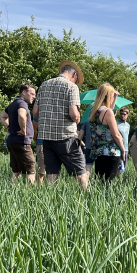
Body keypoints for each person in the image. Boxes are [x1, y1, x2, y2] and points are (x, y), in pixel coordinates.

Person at [35, 61, 89, 189]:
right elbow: (73, 114)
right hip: (66, 137)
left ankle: (48, 202)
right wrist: (77, 118)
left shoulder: (44, 84)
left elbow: (35, 112)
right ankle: (88, 199)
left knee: (51, 174)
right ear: (74, 74)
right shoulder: (72, 87)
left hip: (47, 137)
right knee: (80, 173)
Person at [88, 83, 127, 181]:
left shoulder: (93, 110)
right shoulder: (108, 112)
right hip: (110, 152)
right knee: (108, 185)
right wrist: (123, 150)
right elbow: (116, 135)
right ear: (109, 96)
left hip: (98, 152)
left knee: (99, 183)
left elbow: (109, 111)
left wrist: (115, 97)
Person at [0, 83, 37, 183]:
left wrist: (9, 126)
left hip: (12, 141)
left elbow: (2, 115)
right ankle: (30, 194)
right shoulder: (22, 104)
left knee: (16, 171)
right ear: (24, 92)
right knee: (31, 171)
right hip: (22, 142)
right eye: (32, 94)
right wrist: (24, 131)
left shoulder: (13, 104)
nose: (34, 96)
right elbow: (21, 115)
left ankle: (11, 191)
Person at [31, 108, 45, 185]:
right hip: (42, 143)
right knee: (41, 171)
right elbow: (34, 131)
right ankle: (39, 188)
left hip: (42, 143)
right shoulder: (38, 115)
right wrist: (37, 141)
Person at [116, 107, 131, 174]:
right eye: (121, 114)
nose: (122, 115)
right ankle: (117, 179)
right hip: (117, 148)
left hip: (126, 148)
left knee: (124, 167)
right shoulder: (116, 123)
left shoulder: (128, 125)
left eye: (124, 114)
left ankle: (120, 181)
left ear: (127, 115)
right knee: (119, 166)